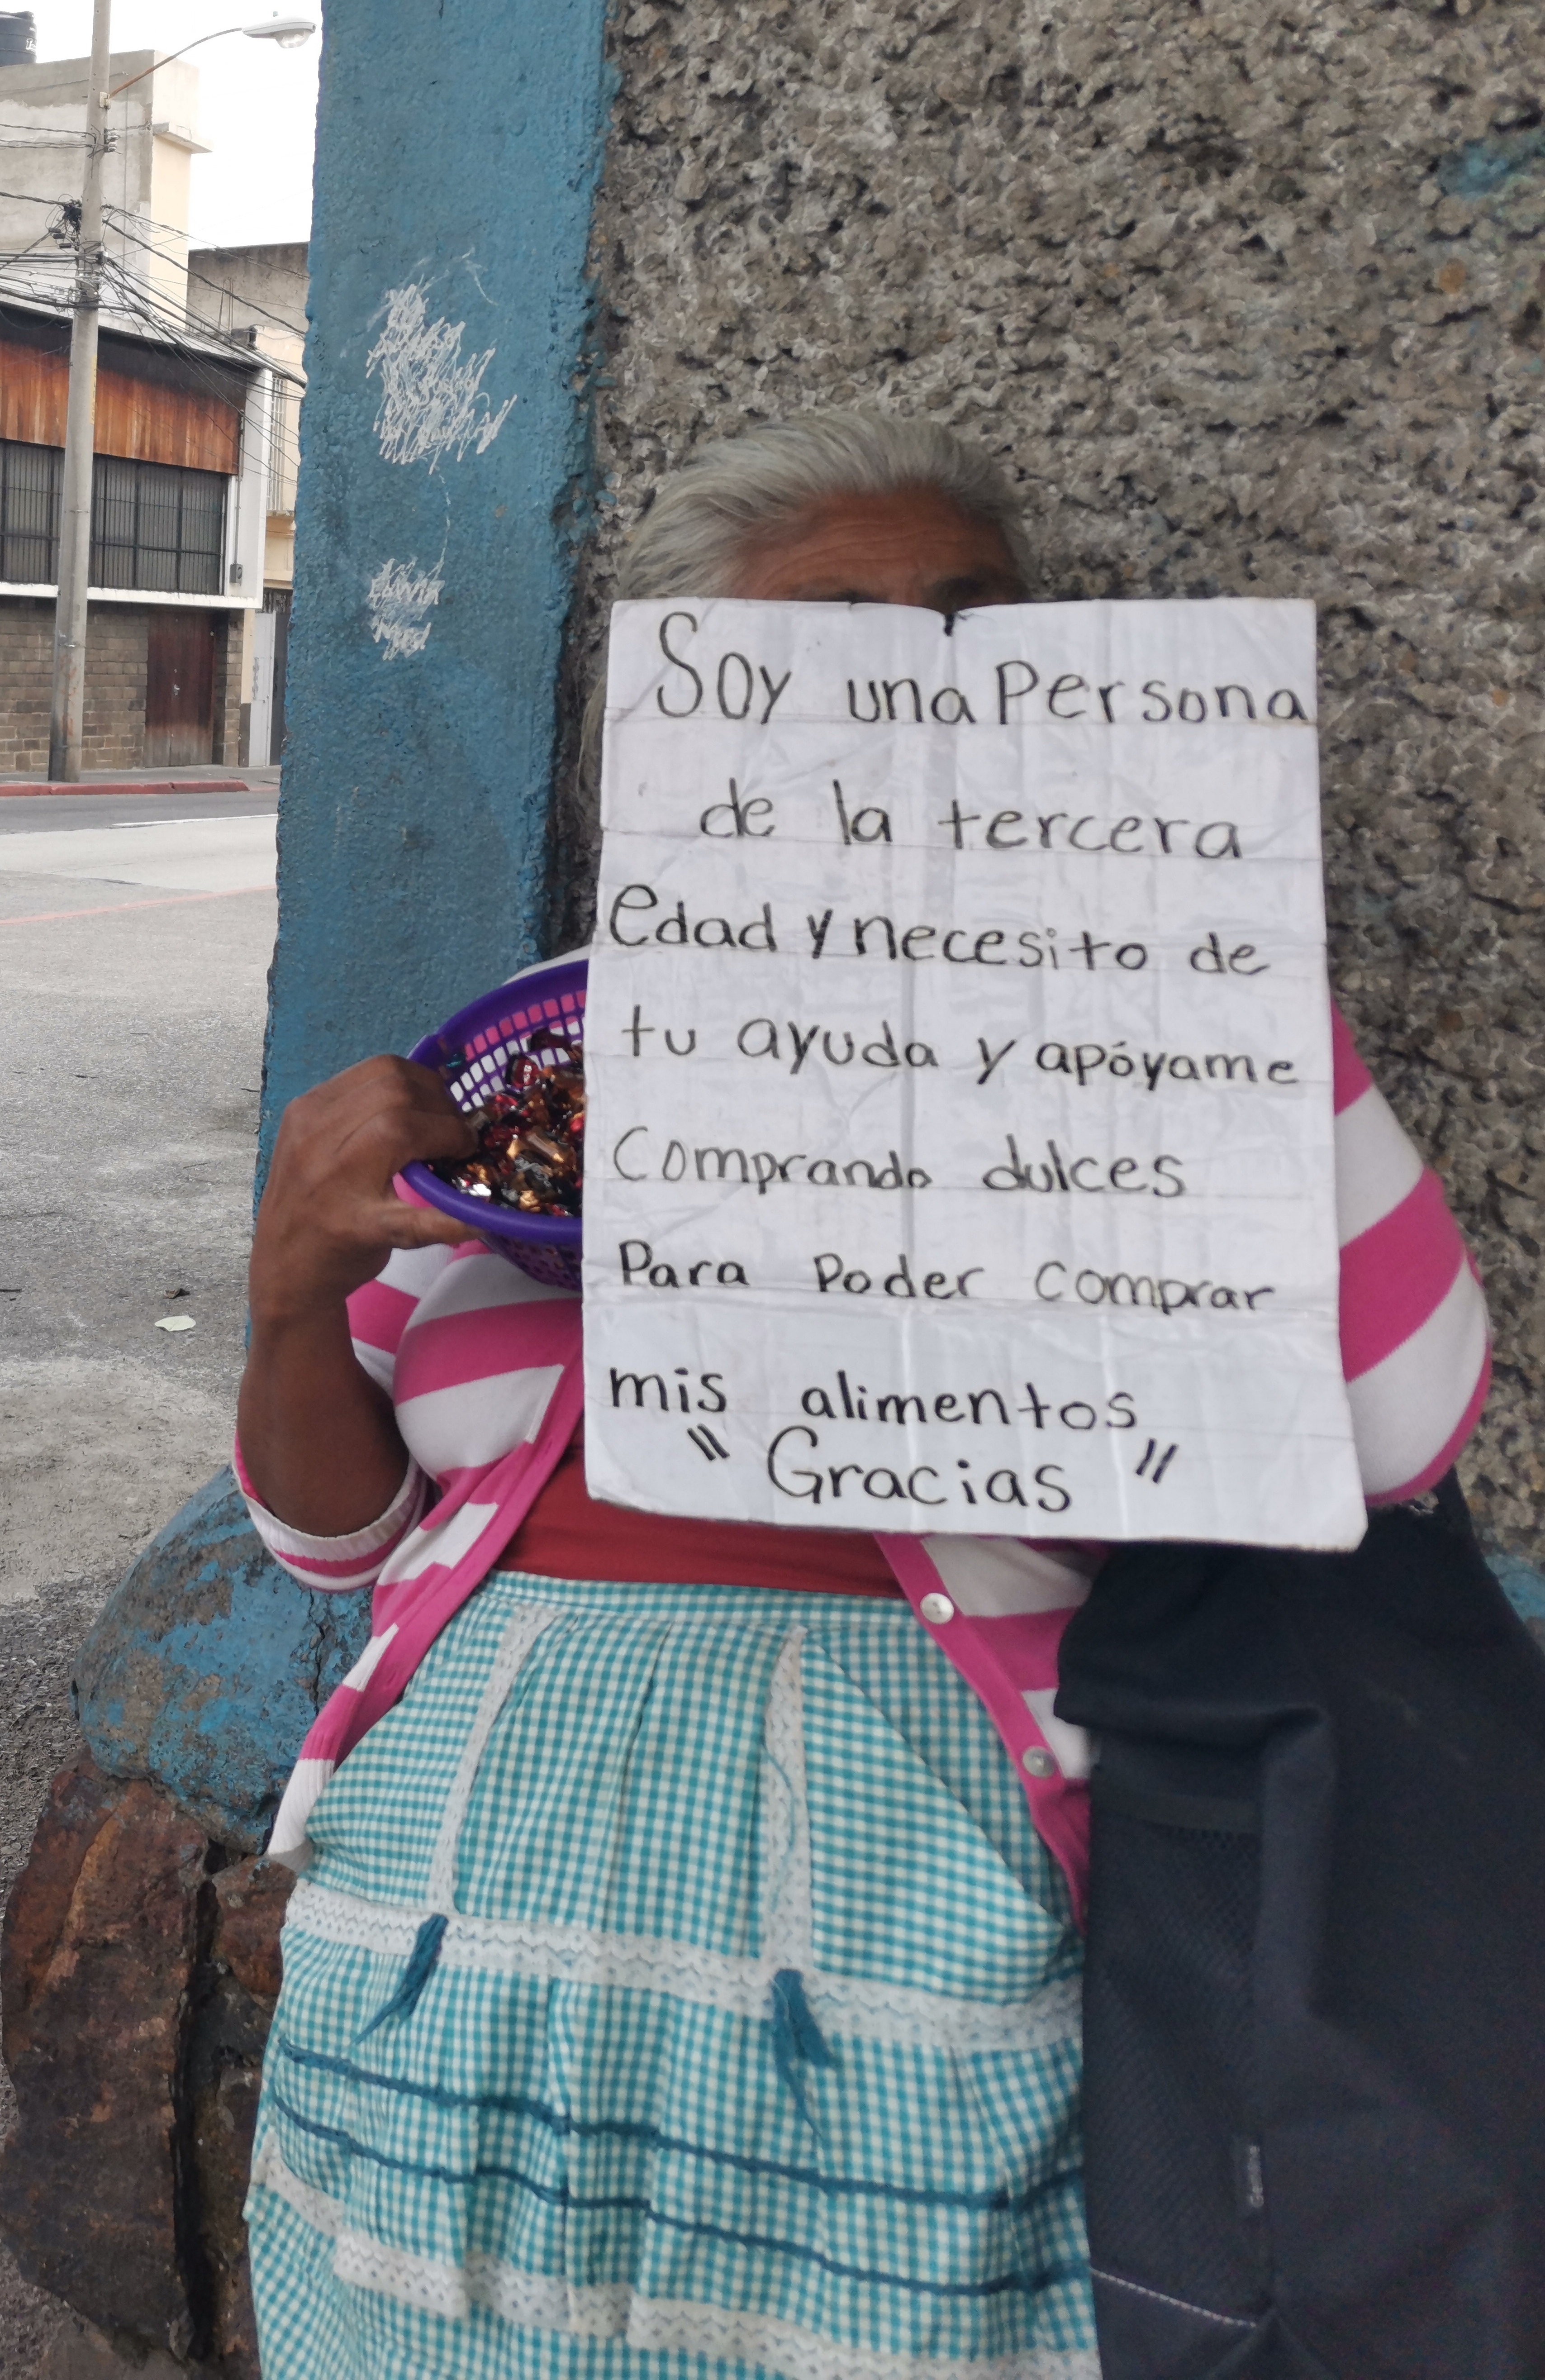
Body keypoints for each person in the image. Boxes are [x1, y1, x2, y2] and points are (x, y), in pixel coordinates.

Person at [233, 412, 1490, 2378]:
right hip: (453, 1931)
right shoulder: (547, 1048)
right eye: (830, 648)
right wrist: (287, 1296)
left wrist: (1209, 963)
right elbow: (334, 1543)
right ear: (686, 717)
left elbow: (1403, 1430)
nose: (914, 693)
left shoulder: (1140, 1040)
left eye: (969, 637)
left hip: (935, 1930)